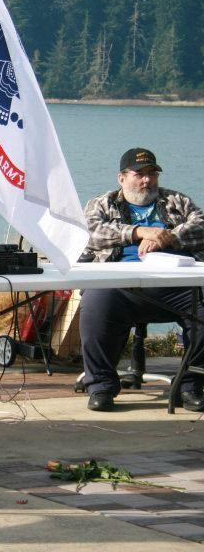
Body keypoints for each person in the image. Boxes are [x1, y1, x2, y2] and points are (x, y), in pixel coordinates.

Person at [79, 148, 204, 412]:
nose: (147, 180)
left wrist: (167, 236)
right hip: (118, 283)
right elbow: (91, 233)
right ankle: (101, 386)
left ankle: (190, 384)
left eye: (152, 174)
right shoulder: (102, 204)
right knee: (95, 301)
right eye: (139, 174)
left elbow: (201, 224)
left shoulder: (175, 201)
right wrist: (137, 232)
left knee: (203, 309)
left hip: (173, 283)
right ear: (122, 178)